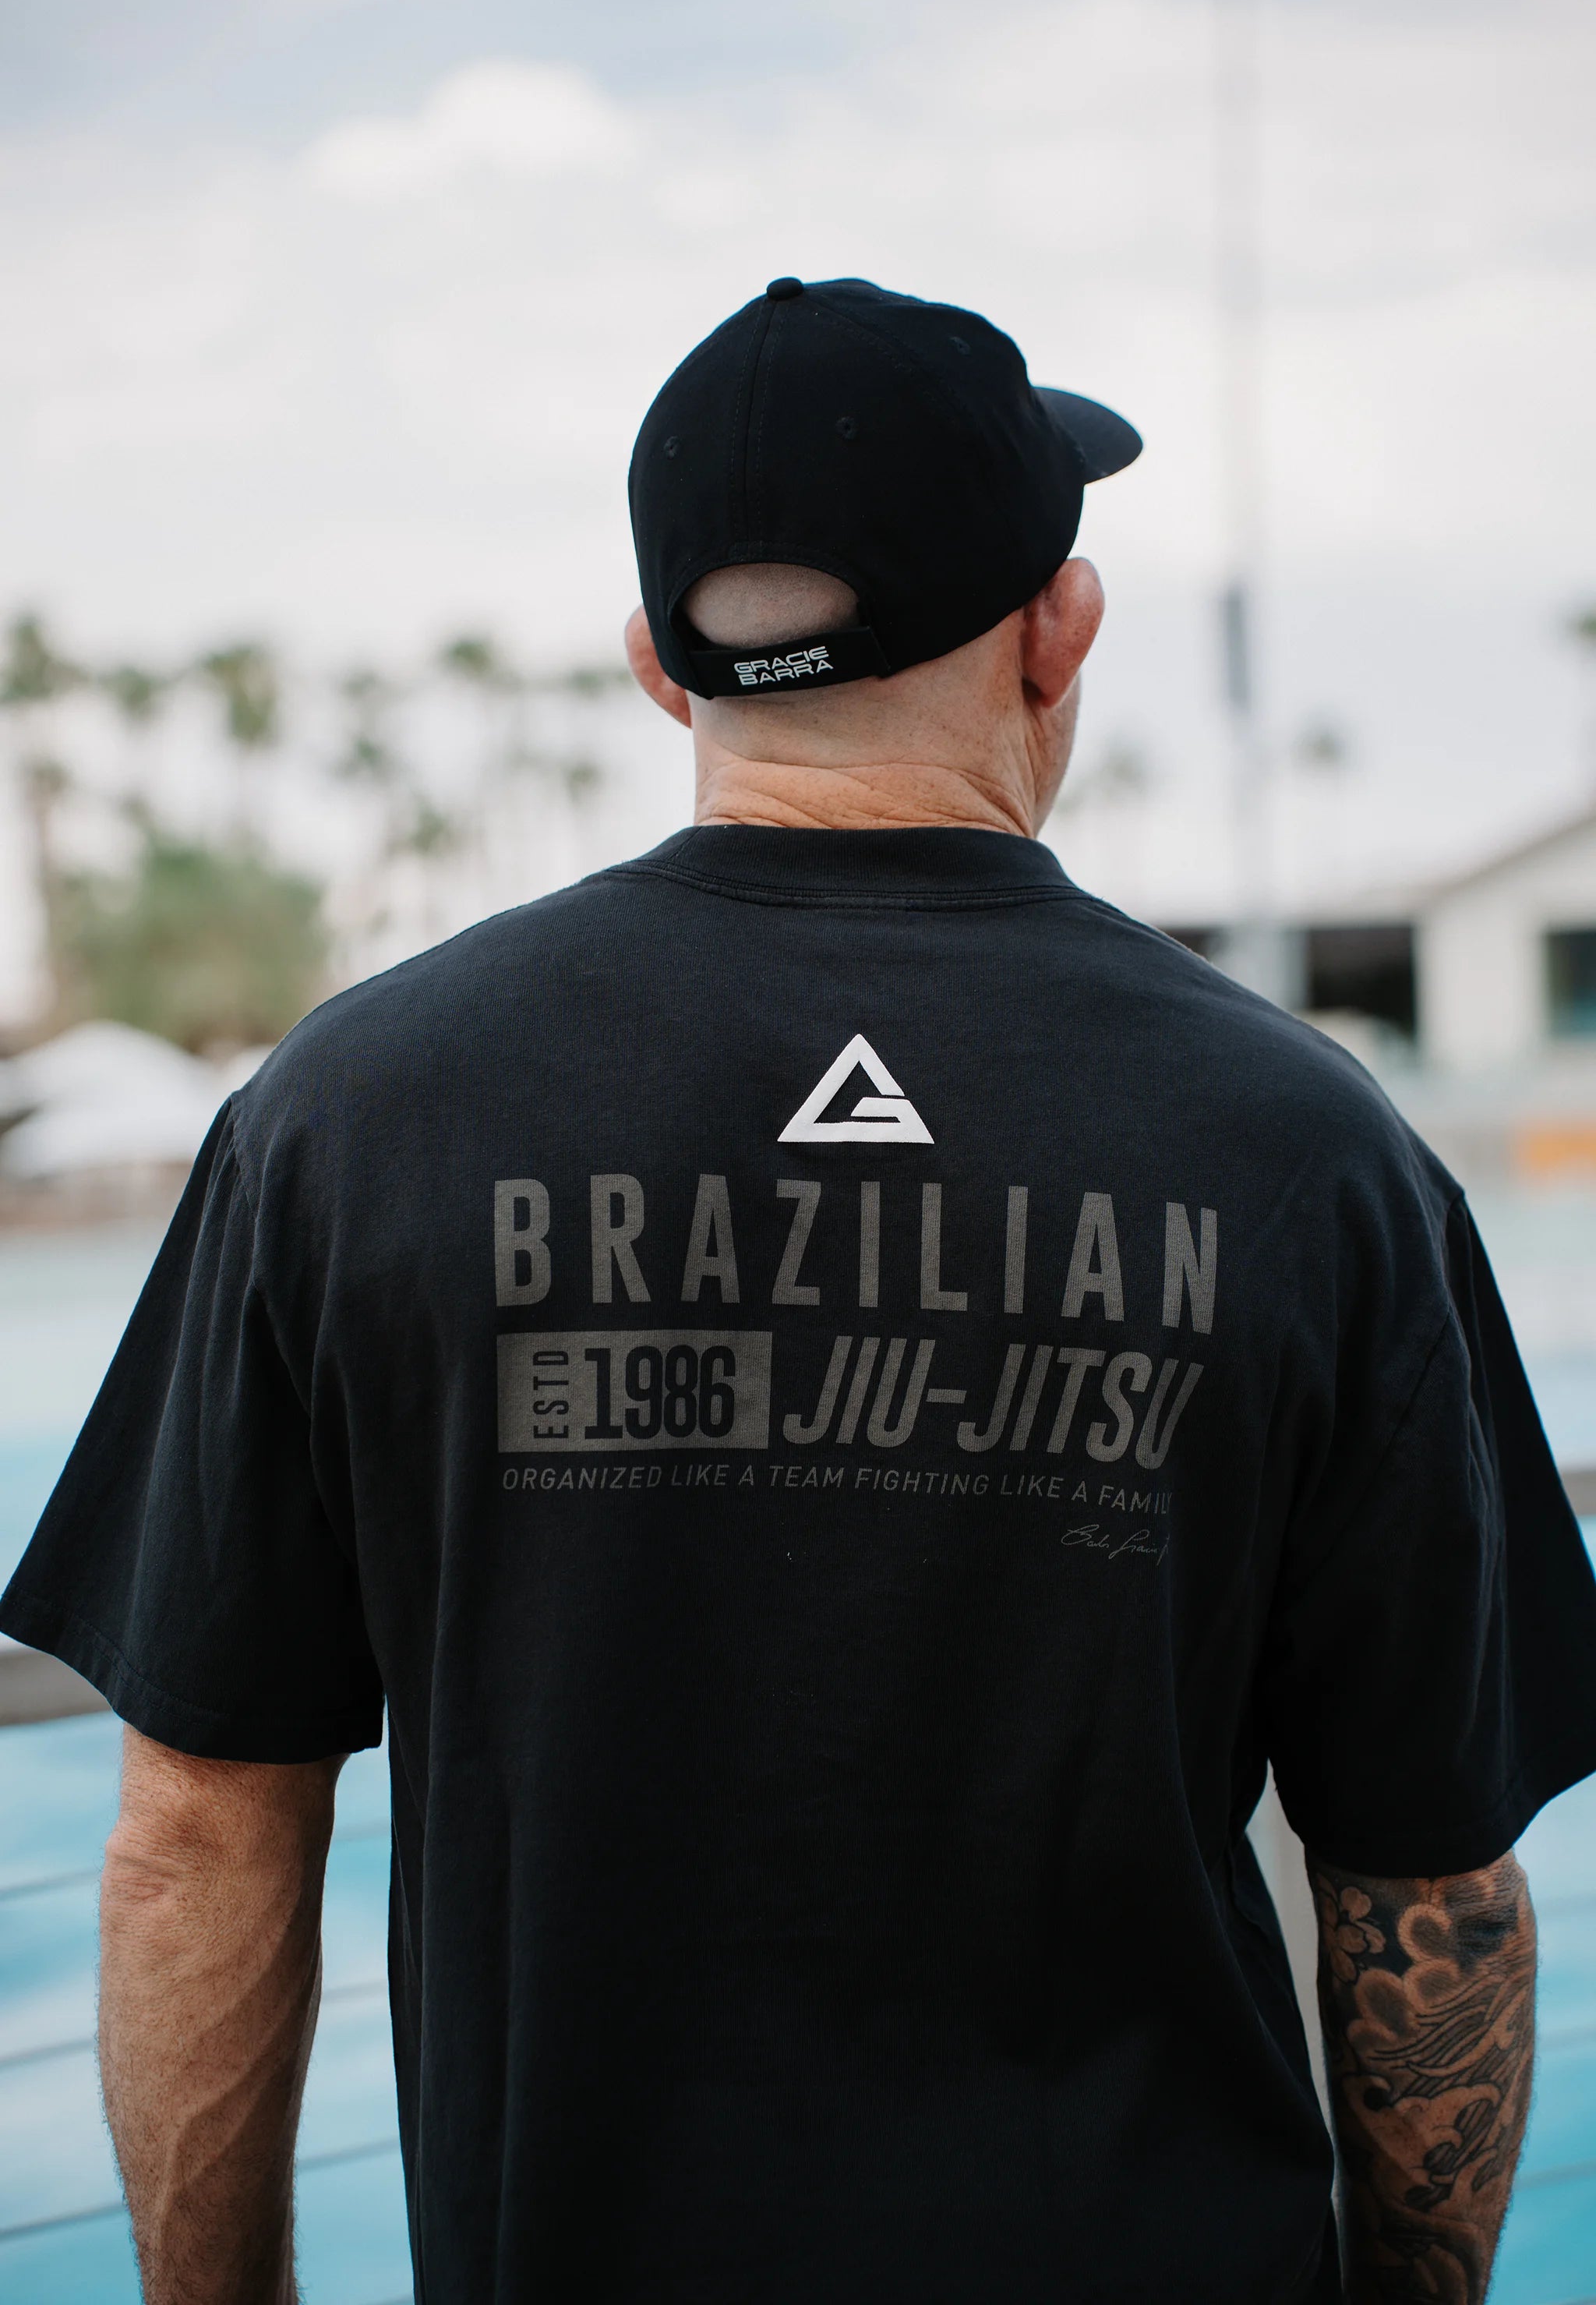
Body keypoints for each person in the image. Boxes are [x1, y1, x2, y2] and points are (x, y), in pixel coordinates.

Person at [5, 274, 1595, 2305]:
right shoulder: (1310, 1151)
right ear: (1059, 628)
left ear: (663, 674)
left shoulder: (348, 1119)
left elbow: (196, 1835)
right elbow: (1429, 1887)